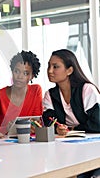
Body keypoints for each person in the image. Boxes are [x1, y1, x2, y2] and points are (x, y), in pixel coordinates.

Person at [42, 49, 100, 178]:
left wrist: (73, 129)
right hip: (68, 150)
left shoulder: (87, 89)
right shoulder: (50, 95)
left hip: (95, 148)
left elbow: (97, 123)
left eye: (55, 67)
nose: (50, 71)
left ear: (69, 70)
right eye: (49, 66)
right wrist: (57, 128)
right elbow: (48, 122)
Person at [0, 50, 43, 134]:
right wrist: (8, 128)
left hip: (30, 141)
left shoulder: (36, 90)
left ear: (32, 76)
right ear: (12, 71)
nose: (20, 76)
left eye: (25, 73)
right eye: (16, 71)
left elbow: (37, 121)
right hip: (6, 143)